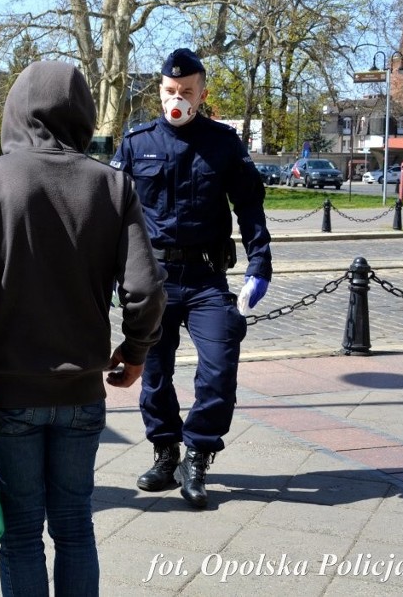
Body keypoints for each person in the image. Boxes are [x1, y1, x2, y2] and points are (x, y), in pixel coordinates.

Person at [0, 60, 166, 596]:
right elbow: (147, 290)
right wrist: (136, 352)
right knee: (74, 526)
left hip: (9, 393)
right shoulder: (113, 186)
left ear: (15, 111)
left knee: (20, 536)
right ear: (83, 116)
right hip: (82, 393)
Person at [110, 48, 272, 509]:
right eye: (169, 91)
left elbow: (250, 208)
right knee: (154, 373)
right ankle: (166, 453)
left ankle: (198, 452)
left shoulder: (223, 143)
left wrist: (260, 265)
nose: (176, 98)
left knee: (220, 367)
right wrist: (106, 273)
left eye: (186, 91)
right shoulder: (136, 143)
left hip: (205, 278)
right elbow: (111, 215)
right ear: (159, 91)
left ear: (202, 93)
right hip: (154, 277)